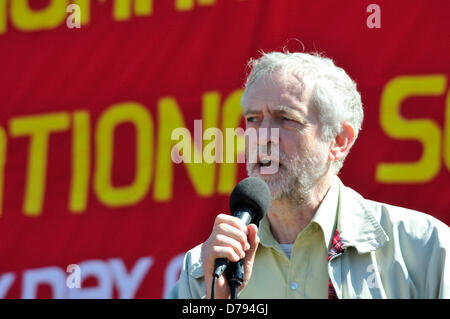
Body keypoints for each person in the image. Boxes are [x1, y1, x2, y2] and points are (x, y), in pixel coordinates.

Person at [167, 51, 450, 299]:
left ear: (338, 141)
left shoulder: (425, 250)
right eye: (253, 119)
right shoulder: (206, 268)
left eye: (286, 119)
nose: (262, 136)